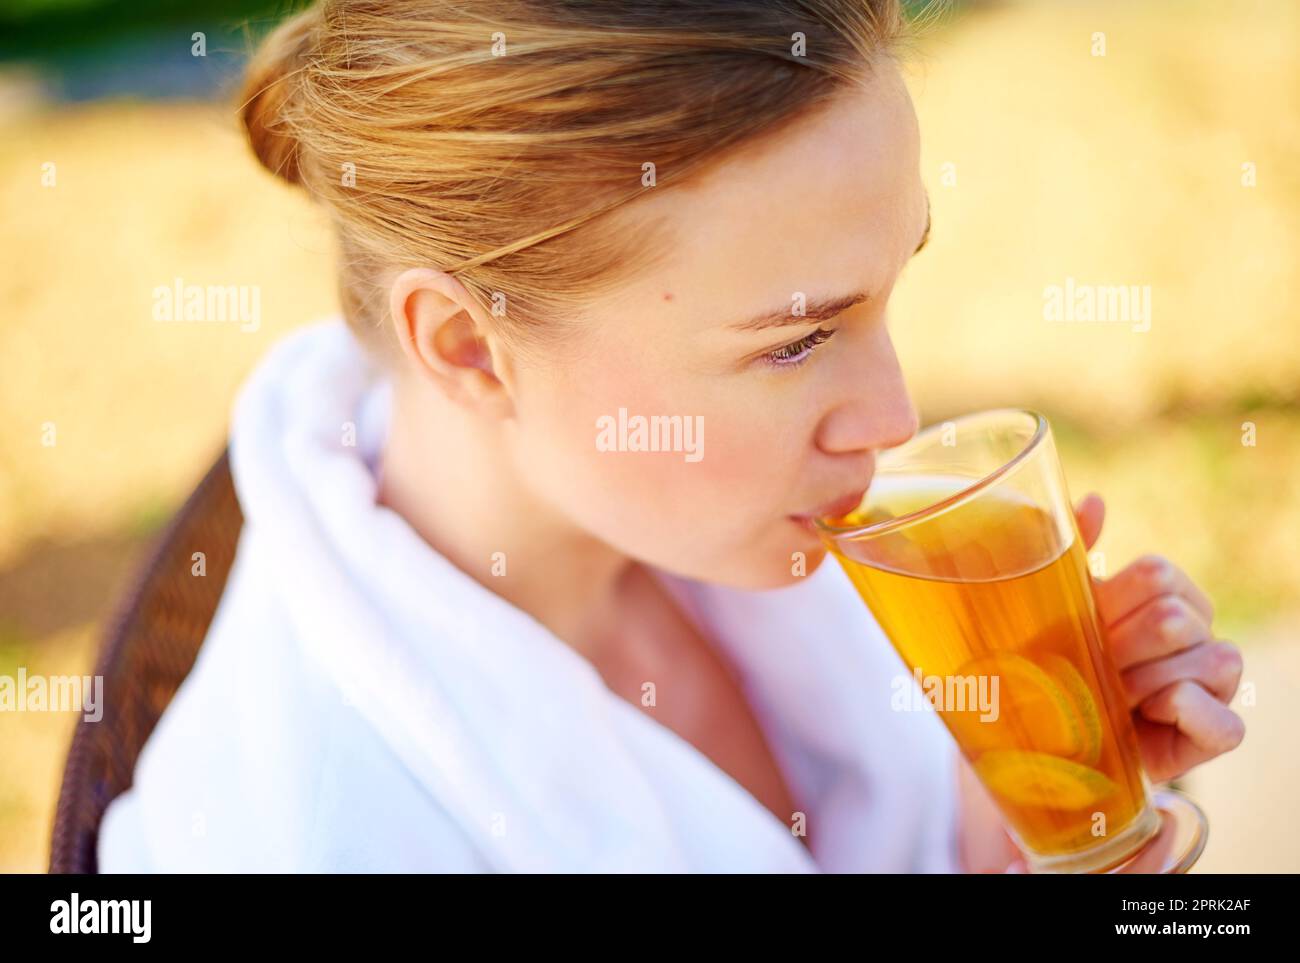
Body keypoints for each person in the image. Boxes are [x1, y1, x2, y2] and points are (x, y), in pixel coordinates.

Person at [97, 0, 1244, 873]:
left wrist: (1026, 817)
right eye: (796, 342)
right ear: (462, 347)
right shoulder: (308, 834)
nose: (893, 420)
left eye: (886, 296)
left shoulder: (693, 516)